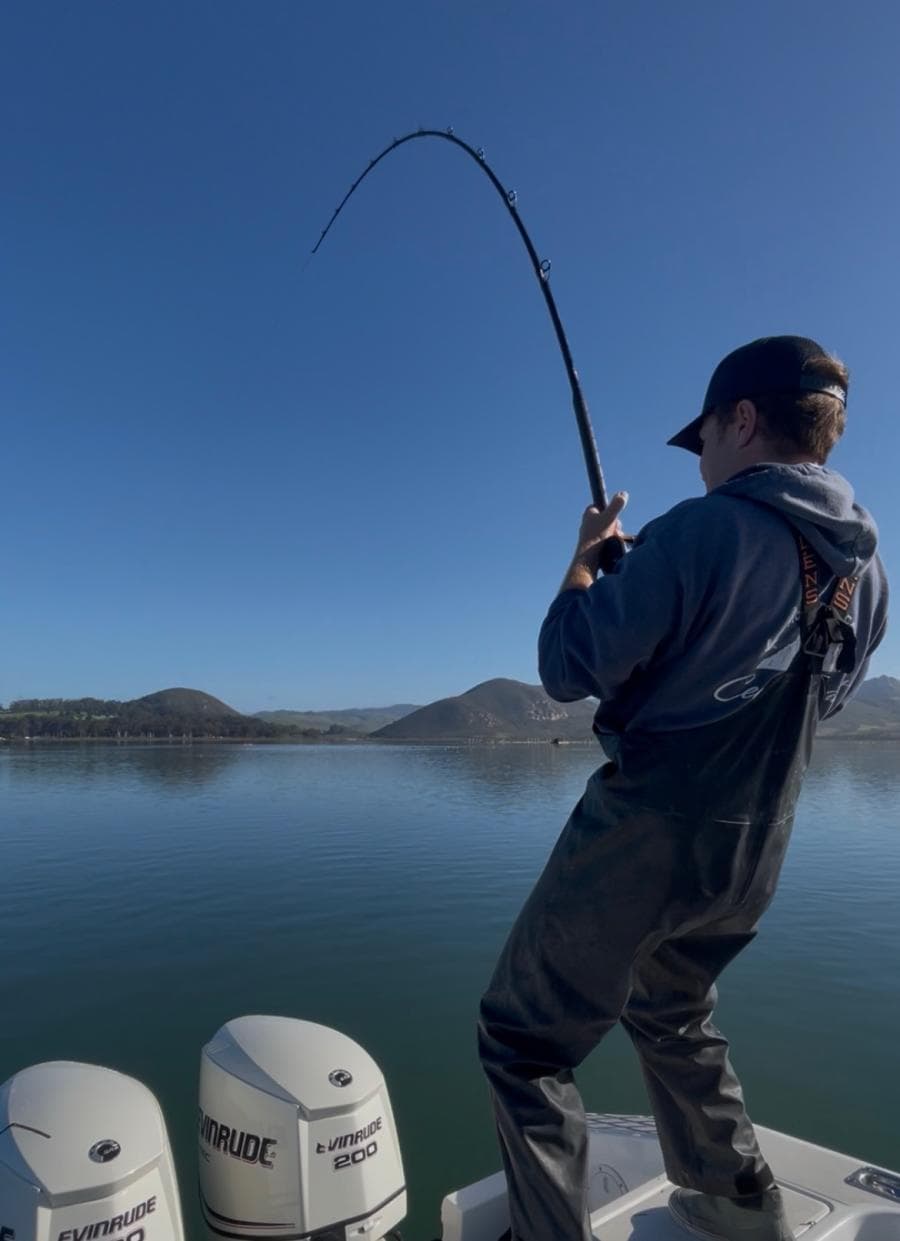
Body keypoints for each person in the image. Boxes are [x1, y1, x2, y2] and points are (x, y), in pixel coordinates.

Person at [478, 336, 889, 1241]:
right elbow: (812, 692)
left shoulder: (700, 530)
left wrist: (588, 561)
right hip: (759, 844)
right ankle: (738, 1204)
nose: (700, 458)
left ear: (742, 420)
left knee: (521, 1039)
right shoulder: (869, 575)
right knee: (671, 1006)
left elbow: (566, 664)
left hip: (646, 836)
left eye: (701, 436)